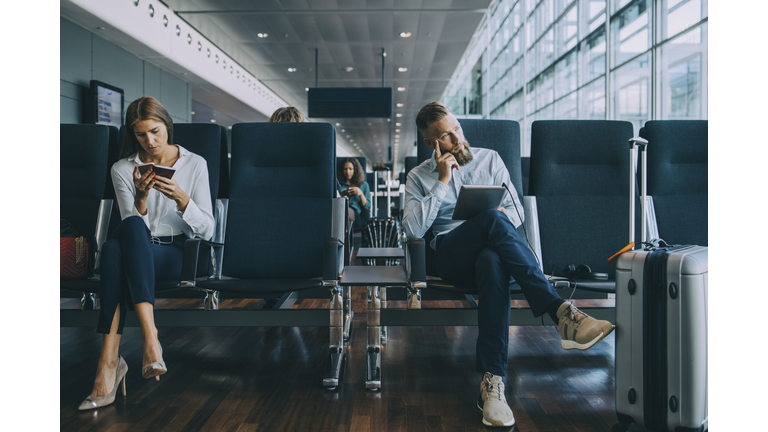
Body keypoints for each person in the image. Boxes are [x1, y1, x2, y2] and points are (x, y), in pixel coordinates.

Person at [402, 102, 614, 428]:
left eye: (457, 128)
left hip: (492, 250)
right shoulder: (418, 176)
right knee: (491, 221)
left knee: (491, 260)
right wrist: (442, 181)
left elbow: (516, 214)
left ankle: (492, 386)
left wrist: (493, 221)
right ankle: (561, 313)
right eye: (446, 136)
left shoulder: (491, 159)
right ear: (432, 143)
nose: (457, 139)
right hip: (450, 253)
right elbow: (413, 230)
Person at [79, 96, 214, 410]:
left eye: (155, 131)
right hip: (138, 251)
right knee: (120, 243)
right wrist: (140, 198)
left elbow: (208, 230)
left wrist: (183, 200)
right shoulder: (123, 169)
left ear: (167, 126)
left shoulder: (195, 164)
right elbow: (132, 226)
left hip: (179, 255)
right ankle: (149, 339)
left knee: (114, 252)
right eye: (140, 135)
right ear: (132, 134)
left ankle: (110, 362)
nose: (149, 141)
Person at [337, 157, 371, 230]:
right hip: (340, 212)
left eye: (350, 169)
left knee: (344, 209)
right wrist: (340, 197)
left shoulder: (363, 185)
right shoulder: (338, 185)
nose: (347, 172)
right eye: (345, 169)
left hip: (356, 216)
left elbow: (368, 207)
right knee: (340, 209)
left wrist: (360, 194)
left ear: (355, 170)